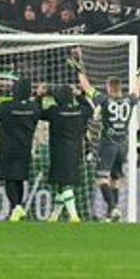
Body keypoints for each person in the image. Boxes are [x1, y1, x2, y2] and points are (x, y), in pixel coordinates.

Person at [77, 64, 140, 222]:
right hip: (123, 145)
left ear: (109, 87)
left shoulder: (105, 100)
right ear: (119, 88)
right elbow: (137, 91)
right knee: (115, 179)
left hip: (108, 144)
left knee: (101, 179)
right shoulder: (129, 101)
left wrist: (79, 71)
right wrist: (138, 76)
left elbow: (87, 87)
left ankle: (113, 208)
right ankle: (111, 213)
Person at [0, 76, 40, 221]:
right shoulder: (33, 108)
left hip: (8, 148)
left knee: (9, 178)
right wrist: (38, 97)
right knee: (19, 178)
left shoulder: (7, 106)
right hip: (25, 148)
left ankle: (16, 206)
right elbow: (38, 114)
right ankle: (18, 207)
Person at [41, 82, 94, 222]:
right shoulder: (80, 111)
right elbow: (90, 110)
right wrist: (80, 95)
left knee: (65, 184)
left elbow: (38, 112)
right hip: (75, 152)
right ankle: (54, 216)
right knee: (62, 185)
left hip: (58, 153)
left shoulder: (54, 111)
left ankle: (74, 216)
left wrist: (39, 96)